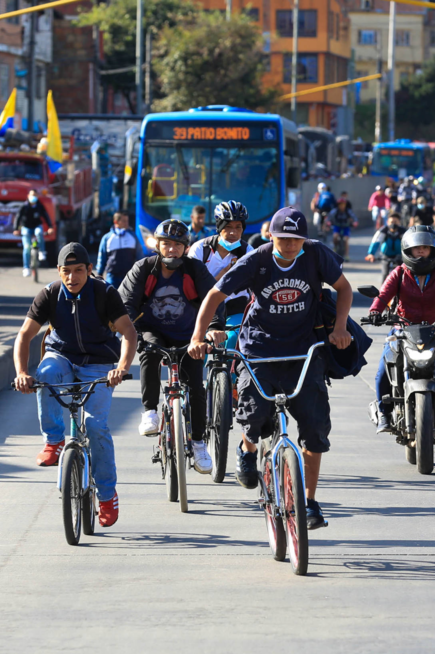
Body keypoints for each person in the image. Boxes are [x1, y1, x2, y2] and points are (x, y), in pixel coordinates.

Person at [188, 207, 353, 531]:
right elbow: (214, 295)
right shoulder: (257, 260)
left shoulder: (316, 255)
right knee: (253, 413)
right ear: (271, 237)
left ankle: (309, 502)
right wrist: (197, 336)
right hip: (259, 347)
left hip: (303, 349)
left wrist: (340, 327)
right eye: (283, 239)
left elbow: (344, 288)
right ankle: (247, 448)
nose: (290, 245)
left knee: (315, 427)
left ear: (304, 239)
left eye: (296, 240)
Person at [12, 243, 137, 525]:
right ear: (58, 271)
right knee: (45, 374)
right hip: (62, 357)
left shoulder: (105, 293)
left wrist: (121, 368)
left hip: (99, 363)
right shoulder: (50, 294)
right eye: (66, 271)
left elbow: (129, 332)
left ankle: (107, 495)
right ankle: (54, 441)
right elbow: (24, 335)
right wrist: (21, 372)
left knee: (95, 426)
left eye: (79, 270)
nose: (72, 277)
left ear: (89, 269)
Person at [121, 219, 226, 472]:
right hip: (153, 330)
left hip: (189, 335)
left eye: (177, 245)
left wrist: (212, 328)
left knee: (196, 387)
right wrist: (131, 332)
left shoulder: (195, 269)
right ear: (157, 245)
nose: (172, 249)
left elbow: (213, 299)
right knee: (149, 352)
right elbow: (126, 304)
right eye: (166, 244)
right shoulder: (143, 268)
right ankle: (150, 411)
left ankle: (199, 444)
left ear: (185, 247)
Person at [367, 225, 435, 434]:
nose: (421, 250)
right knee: (383, 368)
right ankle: (384, 412)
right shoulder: (398, 273)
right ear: (408, 250)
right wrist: (375, 312)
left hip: (434, 330)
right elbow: (383, 295)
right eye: (417, 247)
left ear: (433, 250)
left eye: (425, 247)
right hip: (402, 329)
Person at [190, 201, 255, 349]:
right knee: (200, 347)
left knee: (232, 338)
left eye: (238, 227)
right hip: (204, 308)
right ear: (219, 227)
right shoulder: (200, 249)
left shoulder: (248, 251)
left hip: (235, 308)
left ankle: (229, 365)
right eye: (228, 227)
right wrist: (223, 275)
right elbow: (192, 285)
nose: (233, 232)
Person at [96, 211, 146, 288]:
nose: (127, 223)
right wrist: (99, 273)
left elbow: (140, 255)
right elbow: (102, 256)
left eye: (127, 221)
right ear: (116, 222)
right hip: (112, 276)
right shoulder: (107, 238)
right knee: (111, 295)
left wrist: (144, 270)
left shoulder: (133, 236)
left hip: (129, 275)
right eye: (124, 221)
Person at [12, 189, 53, 277]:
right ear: (28, 196)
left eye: (35, 195)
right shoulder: (24, 206)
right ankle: (26, 268)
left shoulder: (39, 206)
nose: (33, 197)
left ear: (37, 196)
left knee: (39, 233)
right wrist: (16, 229)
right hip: (26, 228)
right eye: (31, 195)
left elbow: (46, 216)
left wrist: (50, 227)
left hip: (36, 226)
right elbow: (18, 217)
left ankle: (42, 251)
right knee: (26, 247)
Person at [365, 212, 406, 280]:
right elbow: (375, 241)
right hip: (385, 256)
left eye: (395, 222)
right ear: (387, 222)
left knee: (401, 275)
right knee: (385, 274)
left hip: (399, 256)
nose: (393, 224)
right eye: (391, 222)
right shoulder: (383, 230)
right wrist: (371, 253)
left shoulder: (403, 231)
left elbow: (408, 243)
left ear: (399, 222)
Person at [326, 192, 357, 257]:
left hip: (346, 226)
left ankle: (346, 255)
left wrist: (355, 222)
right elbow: (329, 217)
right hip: (337, 226)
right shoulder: (335, 211)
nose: (342, 206)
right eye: (340, 205)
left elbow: (354, 217)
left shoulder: (348, 211)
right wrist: (328, 222)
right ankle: (335, 247)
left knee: (346, 240)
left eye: (343, 204)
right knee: (335, 236)